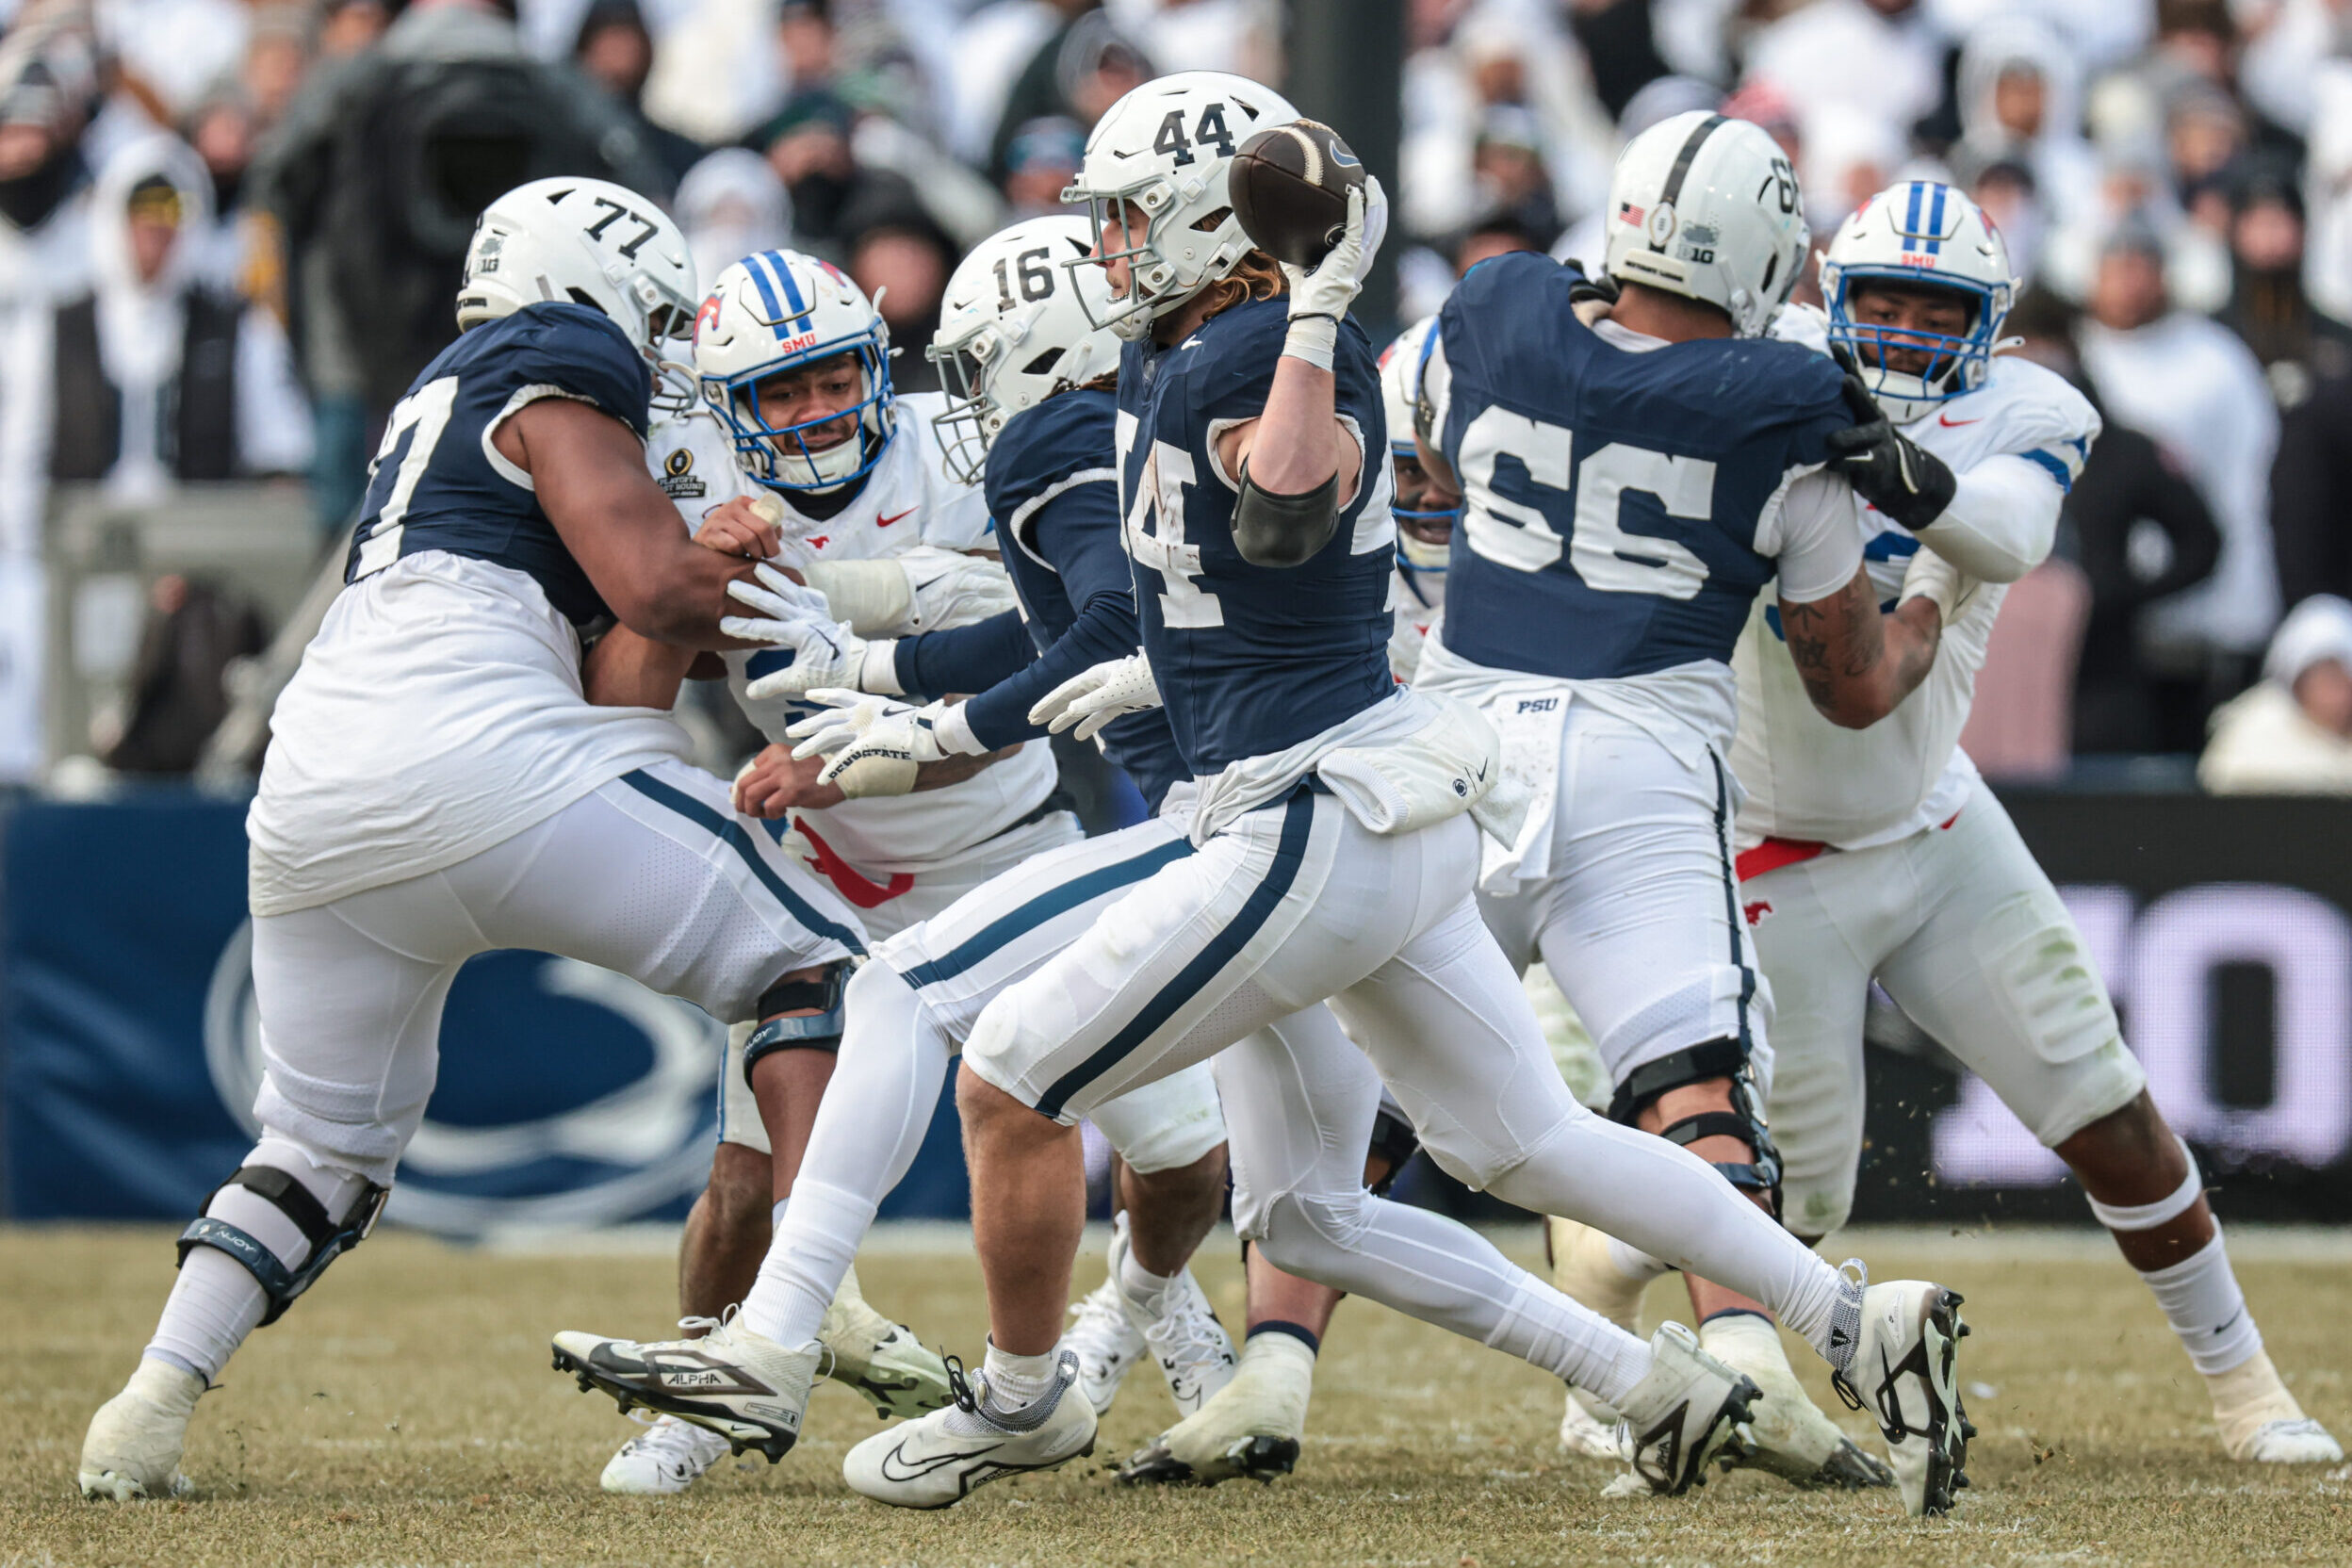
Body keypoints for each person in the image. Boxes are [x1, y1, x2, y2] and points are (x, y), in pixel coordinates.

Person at [560, 79, 1974, 1517]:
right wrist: (955, 679)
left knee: (930, 1004)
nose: (1105, 251)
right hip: (1368, 805)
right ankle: (1822, 1331)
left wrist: (1315, 306)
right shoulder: (1190, 353)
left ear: (1195, 216)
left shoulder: (1254, 345)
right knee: (1449, 1164)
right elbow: (1126, 604)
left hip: (1301, 812)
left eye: (1122, 221)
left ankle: (852, 1360)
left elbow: (1288, 500)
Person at [75, 178, 869, 1503]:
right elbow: (649, 586)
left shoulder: (443, 407)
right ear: (593, 283)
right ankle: (801, 1308)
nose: (664, 350)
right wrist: (759, 568)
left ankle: (152, 1399)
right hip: (476, 755)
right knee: (830, 965)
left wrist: (684, 582)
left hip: (320, 786)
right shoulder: (553, 353)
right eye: (659, 316)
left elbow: (618, 691)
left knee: (319, 1154)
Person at [1561, 178, 2341, 1480]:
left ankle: (2246, 1387)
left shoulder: (2031, 407)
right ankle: (1604, 1281)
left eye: (1943, 309)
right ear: (1828, 294)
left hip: (1934, 823)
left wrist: (1881, 460)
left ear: (1994, 321)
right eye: (1889, 303)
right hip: (1767, 845)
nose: (1913, 332)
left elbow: (2014, 530)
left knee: (2108, 1107)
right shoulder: (1759, 363)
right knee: (1788, 1199)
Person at [567, 233, 1240, 1487]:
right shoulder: (687, 476)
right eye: (781, 392)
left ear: (877, 364)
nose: (816, 410)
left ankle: (1151, 1309)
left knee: (1183, 1155)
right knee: (743, 1179)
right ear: (727, 409)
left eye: (833, 379)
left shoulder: (963, 444)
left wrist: (850, 745)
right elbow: (624, 700)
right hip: (828, 888)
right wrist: (680, 583)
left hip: (1008, 840)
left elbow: (1032, 665)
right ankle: (711, 1391)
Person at [1412, 116, 1985, 1511]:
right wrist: (1925, 615)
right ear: (1776, 254)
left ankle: (1246, 1368)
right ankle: (1765, 1355)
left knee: (1350, 1108)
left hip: (1456, 743)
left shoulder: (1494, 306)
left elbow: (1436, 465)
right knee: (1692, 1093)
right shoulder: (1790, 399)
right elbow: (1847, 685)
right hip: (1636, 761)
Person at [2201, 595, 2352, 792]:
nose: (2341, 695)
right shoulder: (2254, 727)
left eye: (2346, 681)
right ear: (2297, 683)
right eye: (2328, 680)